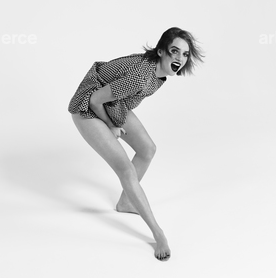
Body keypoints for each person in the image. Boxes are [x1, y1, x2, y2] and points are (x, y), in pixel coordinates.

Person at [68, 27, 204, 261]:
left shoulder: (159, 74)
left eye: (185, 54)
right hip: (87, 107)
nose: (180, 59)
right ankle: (158, 233)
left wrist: (115, 118)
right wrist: (111, 126)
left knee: (147, 149)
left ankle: (126, 202)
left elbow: (115, 93)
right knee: (126, 170)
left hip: (113, 103)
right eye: (174, 51)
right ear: (161, 51)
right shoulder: (141, 76)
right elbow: (95, 99)